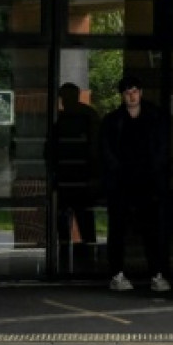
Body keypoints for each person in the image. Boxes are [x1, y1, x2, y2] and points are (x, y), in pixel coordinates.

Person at [101, 75, 172, 292]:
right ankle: (117, 274)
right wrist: (117, 174)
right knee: (118, 231)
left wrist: (154, 174)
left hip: (148, 184)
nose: (131, 96)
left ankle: (157, 274)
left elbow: (162, 150)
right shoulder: (113, 120)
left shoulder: (156, 118)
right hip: (122, 183)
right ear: (122, 96)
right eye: (126, 93)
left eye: (134, 92)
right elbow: (106, 152)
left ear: (140, 93)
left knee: (153, 231)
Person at [48, 82, 101, 249]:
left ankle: (66, 251)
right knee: (83, 217)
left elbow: (50, 148)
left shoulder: (60, 118)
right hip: (78, 175)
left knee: (68, 219)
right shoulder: (88, 114)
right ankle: (86, 251)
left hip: (72, 175)